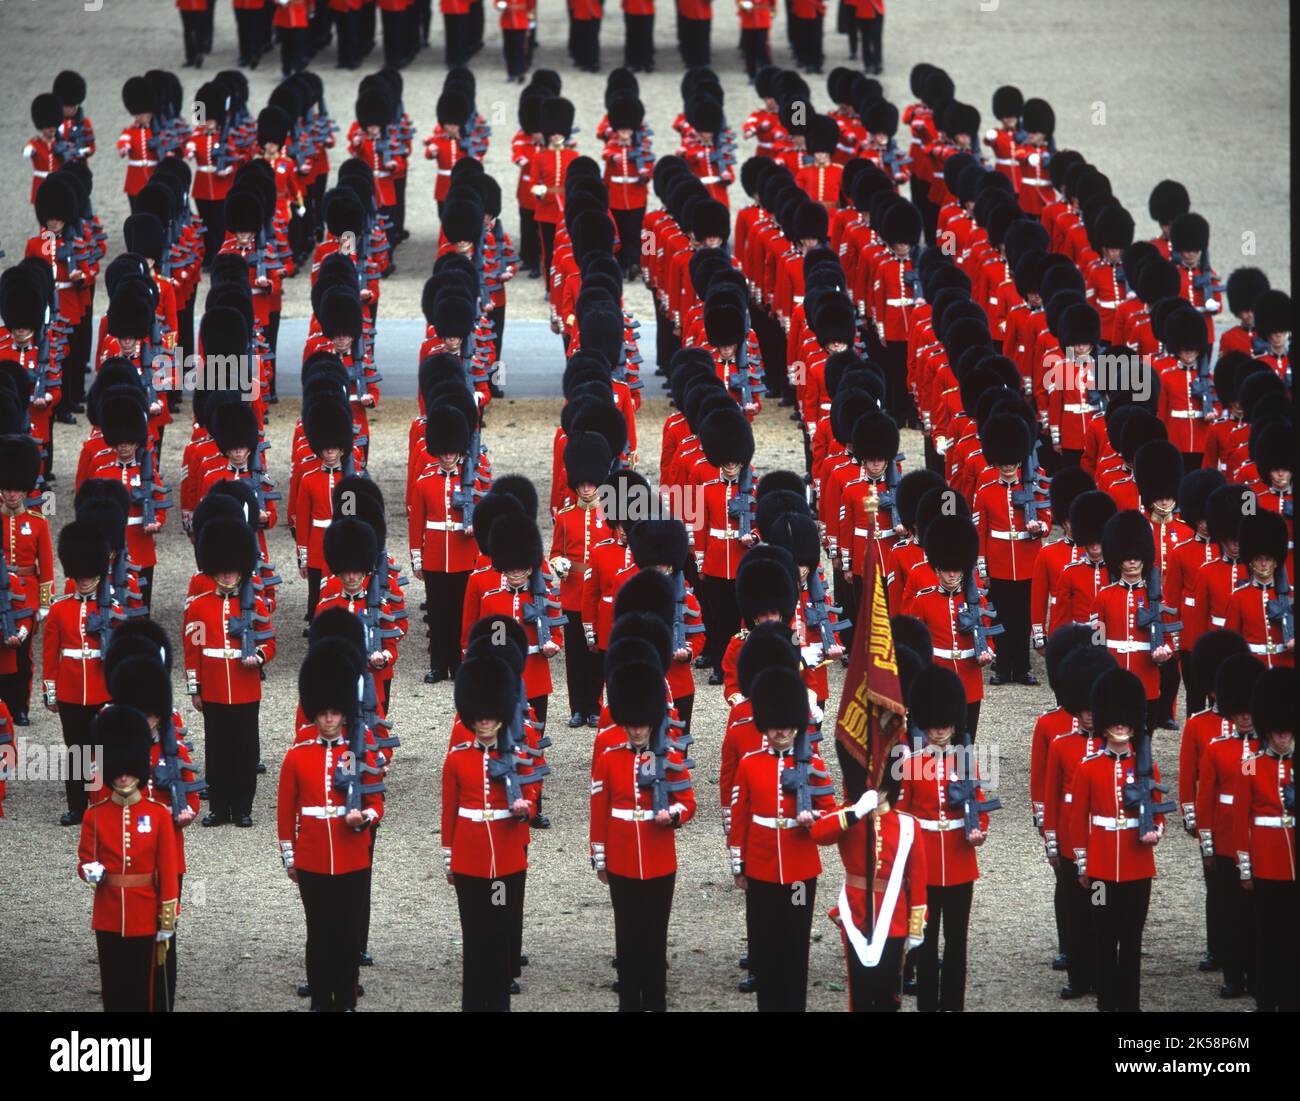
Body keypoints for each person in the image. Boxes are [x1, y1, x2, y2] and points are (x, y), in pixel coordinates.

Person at [279, 641, 383, 1012]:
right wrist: (290, 856)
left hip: (352, 855)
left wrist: (364, 819)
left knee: (346, 934)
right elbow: (285, 812)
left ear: (343, 714)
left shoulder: (356, 751)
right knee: (318, 933)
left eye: (334, 713)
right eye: (322, 713)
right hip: (312, 857)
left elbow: (375, 802)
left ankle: (347, 996)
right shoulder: (297, 754)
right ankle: (321, 999)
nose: (327, 719)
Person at [728, 667, 837, 1011]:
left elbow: (831, 812)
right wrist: (738, 864)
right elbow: (741, 817)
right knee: (766, 942)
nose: (780, 732)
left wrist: (813, 819)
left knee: (795, 942)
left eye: (787, 725)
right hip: (760, 867)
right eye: (774, 725)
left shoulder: (813, 762)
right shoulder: (749, 764)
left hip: (800, 871)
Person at [591, 661, 695, 1010]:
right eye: (631, 724)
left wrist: (674, 816)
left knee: (655, 937)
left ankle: (655, 1000)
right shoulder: (609, 758)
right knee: (627, 935)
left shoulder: (668, 754)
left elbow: (688, 801)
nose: (636, 731)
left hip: (659, 855)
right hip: (620, 856)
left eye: (642, 724)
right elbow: (599, 809)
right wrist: (600, 856)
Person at [1068, 666, 1165, 1012]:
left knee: (1132, 939)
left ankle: (1130, 1005)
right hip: (1101, 866)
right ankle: (1107, 1004)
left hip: (1138, 867)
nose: (1121, 726)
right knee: (1104, 938)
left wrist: (1156, 831)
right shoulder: (1088, 767)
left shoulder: (1145, 766)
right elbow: (1076, 819)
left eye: (1126, 720)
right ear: (1106, 721)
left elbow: (1157, 811)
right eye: (1115, 720)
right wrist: (1083, 863)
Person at [896, 664, 990, 1011]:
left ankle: (953, 1004)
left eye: (945, 725)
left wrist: (979, 829)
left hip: (960, 859)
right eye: (934, 725)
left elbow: (979, 804)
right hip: (923, 863)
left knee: (956, 942)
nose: (939, 731)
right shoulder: (909, 764)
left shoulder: (967, 761)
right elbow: (902, 815)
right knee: (925, 939)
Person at [442, 656, 533, 1011]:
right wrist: (449, 858)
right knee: (474, 937)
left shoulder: (517, 755)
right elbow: (449, 813)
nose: (484, 721)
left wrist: (526, 810)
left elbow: (531, 796)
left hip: (503, 866)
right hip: (469, 862)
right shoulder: (457, 759)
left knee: (496, 937)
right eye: (480, 715)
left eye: (491, 715)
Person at [76, 705, 179, 1012]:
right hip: (108, 914)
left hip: (145, 913)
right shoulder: (94, 815)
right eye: (117, 773)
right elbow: (85, 860)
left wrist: (167, 919)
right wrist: (88, 871)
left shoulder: (157, 815)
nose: (122, 778)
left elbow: (168, 872)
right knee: (113, 988)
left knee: (142, 991)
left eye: (128, 772)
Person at [183, 515, 276, 827]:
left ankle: (243, 807)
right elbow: (193, 650)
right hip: (213, 686)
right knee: (217, 749)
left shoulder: (255, 605)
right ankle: (220, 807)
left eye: (232, 569)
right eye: (221, 569)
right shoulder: (199, 605)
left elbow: (269, 642)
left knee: (245, 750)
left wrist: (259, 656)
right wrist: (195, 688)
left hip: (245, 685)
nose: (226, 574)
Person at [1195, 653, 1265, 999]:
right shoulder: (1217, 750)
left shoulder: (1266, 752)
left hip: (1261, 841)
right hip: (1224, 840)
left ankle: (1257, 974)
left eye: (1250, 711)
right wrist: (1207, 846)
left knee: (1257, 916)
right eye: (1240, 712)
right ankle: (1234, 976)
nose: (1246, 717)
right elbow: (1205, 799)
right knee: (1231, 911)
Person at [1233, 667, 1297, 1012]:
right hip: (1267, 862)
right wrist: (1245, 867)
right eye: (1278, 732)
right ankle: (1266, 996)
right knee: (1268, 937)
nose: (1284, 738)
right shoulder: (1250, 765)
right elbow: (1240, 817)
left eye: (1287, 731)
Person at [43, 522, 115, 826]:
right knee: (76, 751)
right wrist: (51, 690)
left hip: (101, 688)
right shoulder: (60, 610)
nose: (84, 582)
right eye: (80, 577)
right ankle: (77, 805)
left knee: (103, 750)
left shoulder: (111, 609)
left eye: (89, 576)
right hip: (71, 688)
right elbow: (50, 654)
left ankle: (102, 803)